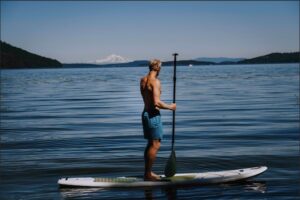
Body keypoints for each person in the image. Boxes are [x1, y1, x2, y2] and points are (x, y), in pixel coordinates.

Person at [140, 59, 176, 181]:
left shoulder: (143, 80)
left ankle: (147, 173)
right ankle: (148, 175)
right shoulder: (155, 81)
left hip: (145, 114)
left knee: (150, 144)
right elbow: (156, 103)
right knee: (155, 144)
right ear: (158, 68)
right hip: (153, 115)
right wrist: (170, 107)